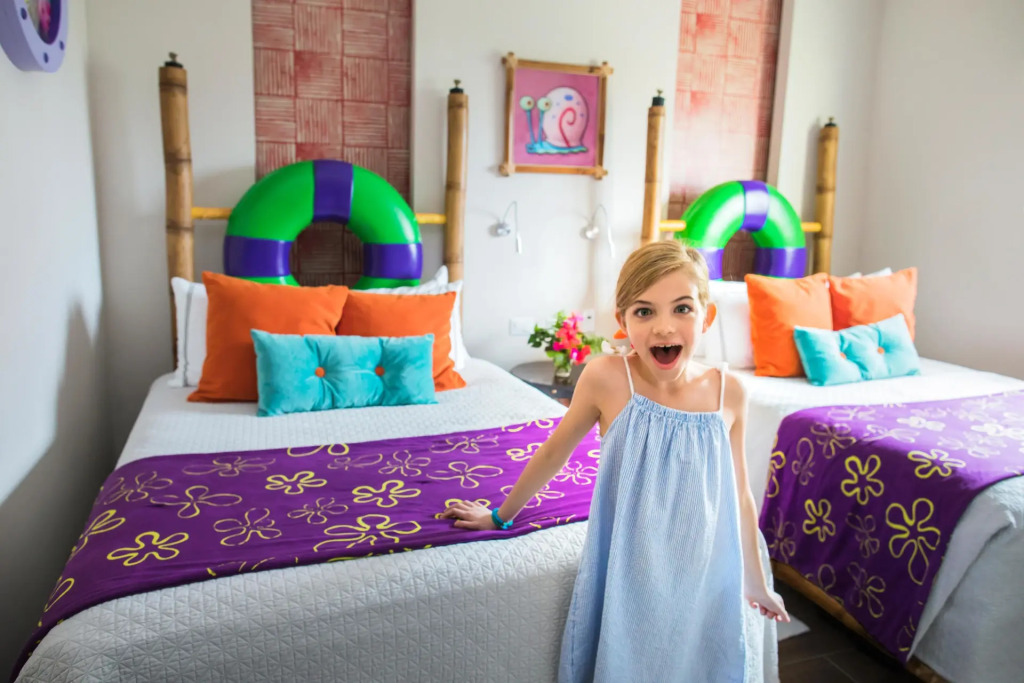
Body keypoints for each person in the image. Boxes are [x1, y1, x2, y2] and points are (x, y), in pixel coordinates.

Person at [440, 240, 788, 682]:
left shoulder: (729, 392)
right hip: (632, 563)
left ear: (707, 316)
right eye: (645, 311)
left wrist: (755, 582)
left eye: (682, 308)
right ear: (623, 322)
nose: (664, 327)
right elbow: (555, 451)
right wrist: (499, 516)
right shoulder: (607, 378)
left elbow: (739, 494)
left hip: (702, 565)